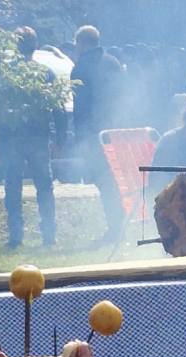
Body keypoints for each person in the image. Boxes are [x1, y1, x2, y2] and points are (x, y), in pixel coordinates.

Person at [0, 26, 63, 250]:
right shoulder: (45, 73)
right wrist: (60, 138)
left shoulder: (5, 74)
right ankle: (49, 234)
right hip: (38, 137)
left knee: (13, 187)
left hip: (12, 138)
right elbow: (58, 108)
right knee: (44, 187)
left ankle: (16, 237)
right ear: (35, 46)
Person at [71, 24, 127, 245]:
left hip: (94, 136)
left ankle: (114, 229)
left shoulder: (80, 68)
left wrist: (80, 139)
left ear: (81, 43)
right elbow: (124, 96)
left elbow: (81, 109)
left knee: (105, 182)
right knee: (115, 180)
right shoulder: (113, 62)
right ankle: (119, 224)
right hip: (117, 132)